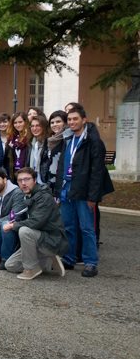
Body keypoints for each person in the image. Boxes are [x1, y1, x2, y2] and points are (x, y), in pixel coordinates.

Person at [56, 105, 115, 277]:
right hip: (67, 189)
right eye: (69, 119)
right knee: (68, 226)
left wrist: (93, 196)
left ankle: (90, 263)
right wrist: (58, 190)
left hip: (84, 192)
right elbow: (62, 166)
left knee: (87, 228)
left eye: (75, 119)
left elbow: (97, 172)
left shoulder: (93, 141)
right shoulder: (67, 139)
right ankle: (69, 258)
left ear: (84, 120)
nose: (72, 122)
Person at [3, 168, 69, 280]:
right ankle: (47, 261)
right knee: (11, 265)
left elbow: (36, 222)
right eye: (20, 180)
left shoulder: (44, 197)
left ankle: (32, 269)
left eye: (27, 179)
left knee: (24, 231)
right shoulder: (29, 194)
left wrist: (13, 225)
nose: (23, 183)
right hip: (38, 238)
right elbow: (25, 216)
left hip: (53, 240)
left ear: (34, 180)